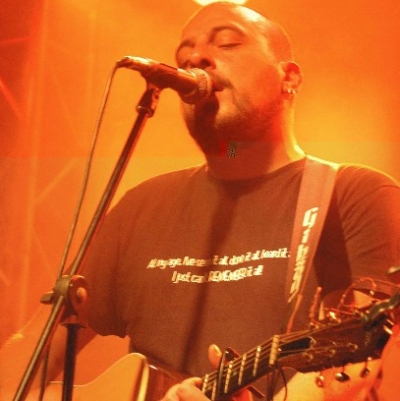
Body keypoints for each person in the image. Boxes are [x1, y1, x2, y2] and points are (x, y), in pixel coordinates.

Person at [1, 2, 400, 400]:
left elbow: (354, 364)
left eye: (226, 43)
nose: (195, 58)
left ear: (289, 77)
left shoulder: (353, 195)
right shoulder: (142, 208)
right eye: (184, 56)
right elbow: (33, 349)